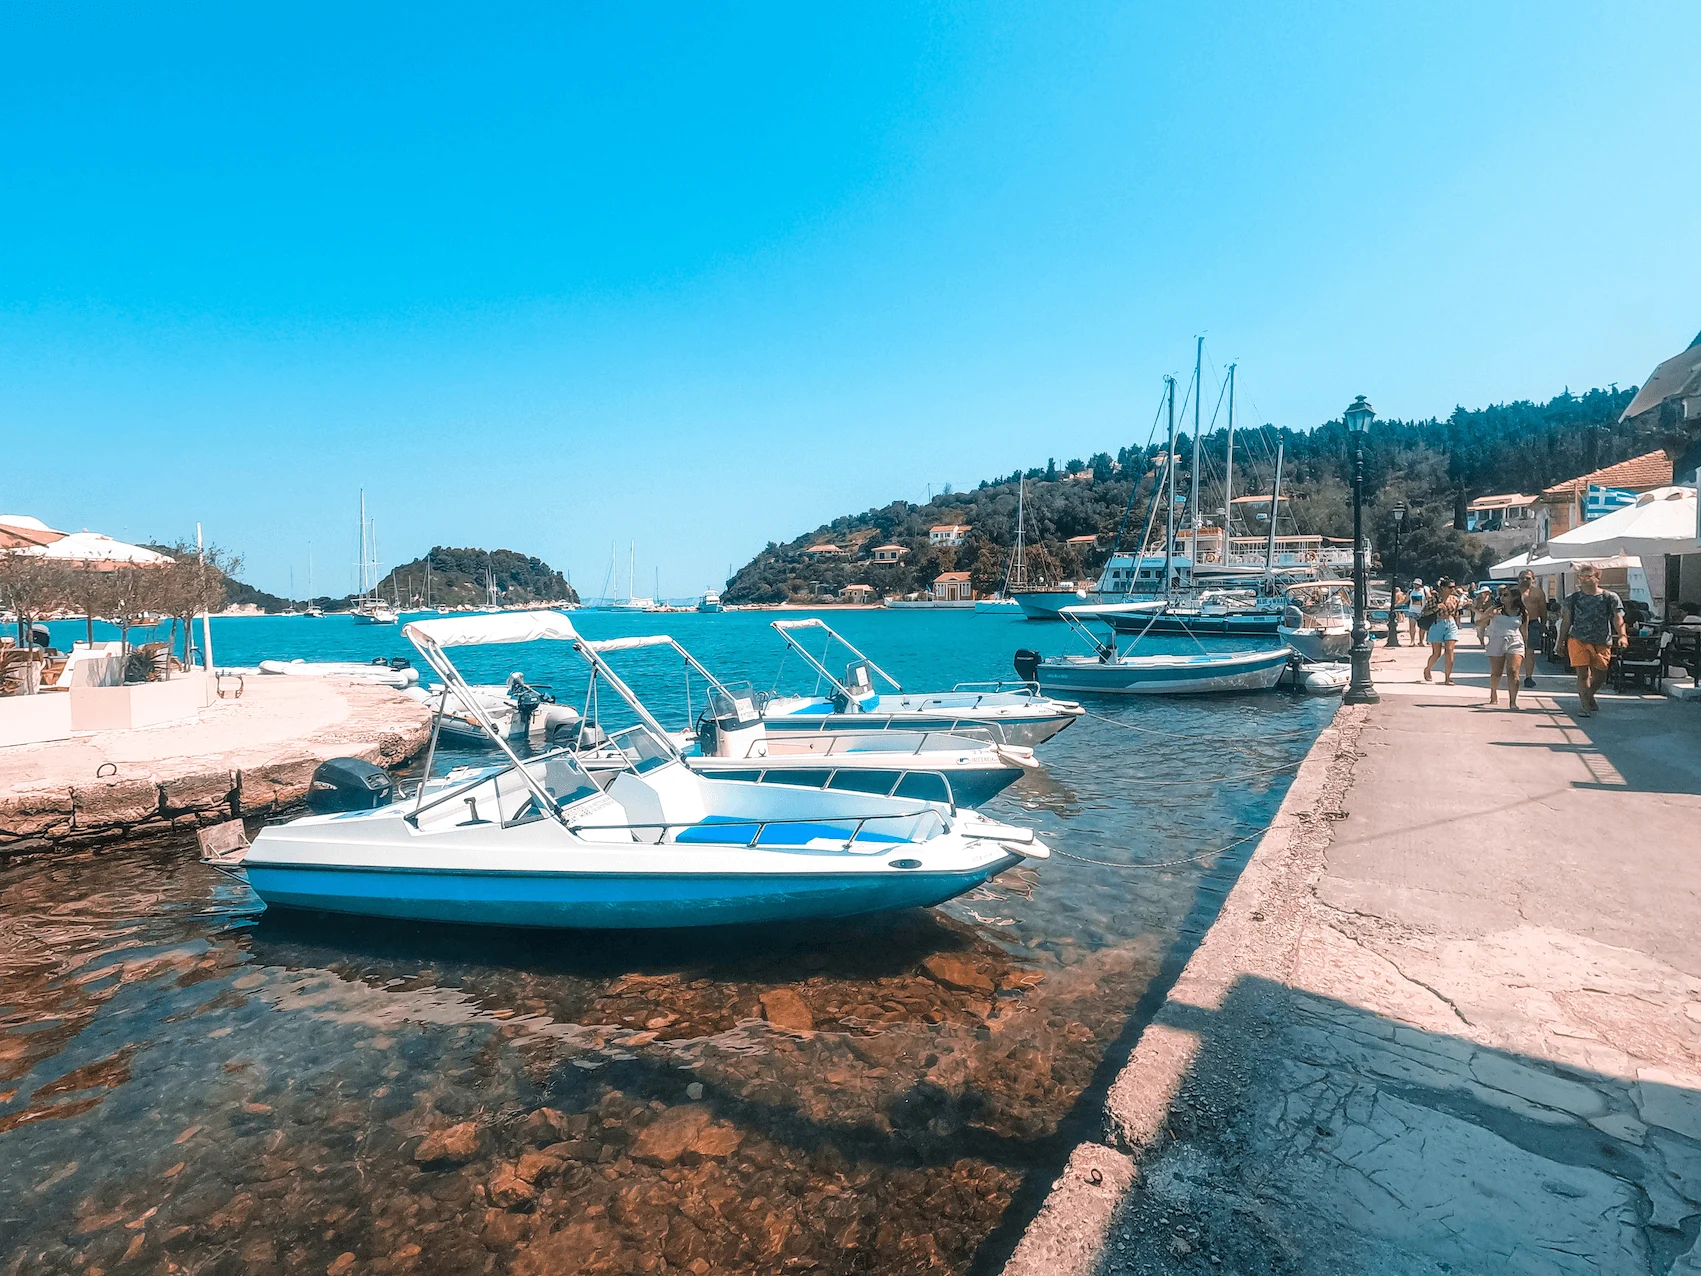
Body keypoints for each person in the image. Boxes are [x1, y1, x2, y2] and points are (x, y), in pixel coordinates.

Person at [1556, 562, 1626, 718]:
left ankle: (1589, 696)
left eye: (1588, 576)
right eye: (1581, 576)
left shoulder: (1610, 597)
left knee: (1601, 675)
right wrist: (1560, 642)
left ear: (1597, 578)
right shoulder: (1572, 599)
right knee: (1582, 674)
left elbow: (1617, 618)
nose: (1583, 580)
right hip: (1577, 639)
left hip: (1602, 640)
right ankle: (1585, 706)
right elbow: (1566, 621)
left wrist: (1622, 635)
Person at [1485, 585, 1527, 709]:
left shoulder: (1522, 611)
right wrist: (1490, 616)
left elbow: (1524, 630)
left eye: (1505, 595)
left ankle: (1513, 701)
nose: (1502, 597)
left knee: (1513, 671)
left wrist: (1526, 646)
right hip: (1497, 639)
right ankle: (1493, 692)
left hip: (1515, 641)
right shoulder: (1495, 609)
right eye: (1501, 595)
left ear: (1514, 597)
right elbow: (1479, 622)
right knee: (1496, 672)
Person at [1422, 579, 1461, 684]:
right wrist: (1436, 608)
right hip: (1437, 623)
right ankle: (1428, 669)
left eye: (1454, 587)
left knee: (1450, 650)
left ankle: (1448, 677)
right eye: (1450, 587)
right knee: (1436, 653)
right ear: (1443, 588)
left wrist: (1458, 625)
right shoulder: (1434, 599)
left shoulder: (1455, 599)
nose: (1453, 589)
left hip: (1450, 623)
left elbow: (1456, 613)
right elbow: (1424, 613)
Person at [1518, 569, 1548, 689]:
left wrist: (1543, 624)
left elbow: (1543, 609)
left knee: (1529, 652)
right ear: (1518, 579)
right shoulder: (1513, 592)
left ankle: (1528, 677)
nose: (1525, 580)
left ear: (1533, 579)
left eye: (1528, 578)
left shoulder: (1538, 592)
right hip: (1516, 624)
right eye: (1522, 578)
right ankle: (1514, 674)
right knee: (1514, 651)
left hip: (1532, 623)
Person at [1405, 578, 1428, 643]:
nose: (1415, 585)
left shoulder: (1424, 591)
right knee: (1412, 627)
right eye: (1414, 584)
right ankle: (1412, 641)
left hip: (1422, 611)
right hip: (1412, 611)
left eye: (1417, 584)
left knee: (1422, 628)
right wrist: (1397, 604)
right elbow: (1406, 599)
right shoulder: (1410, 591)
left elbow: (1429, 597)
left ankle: (1421, 641)